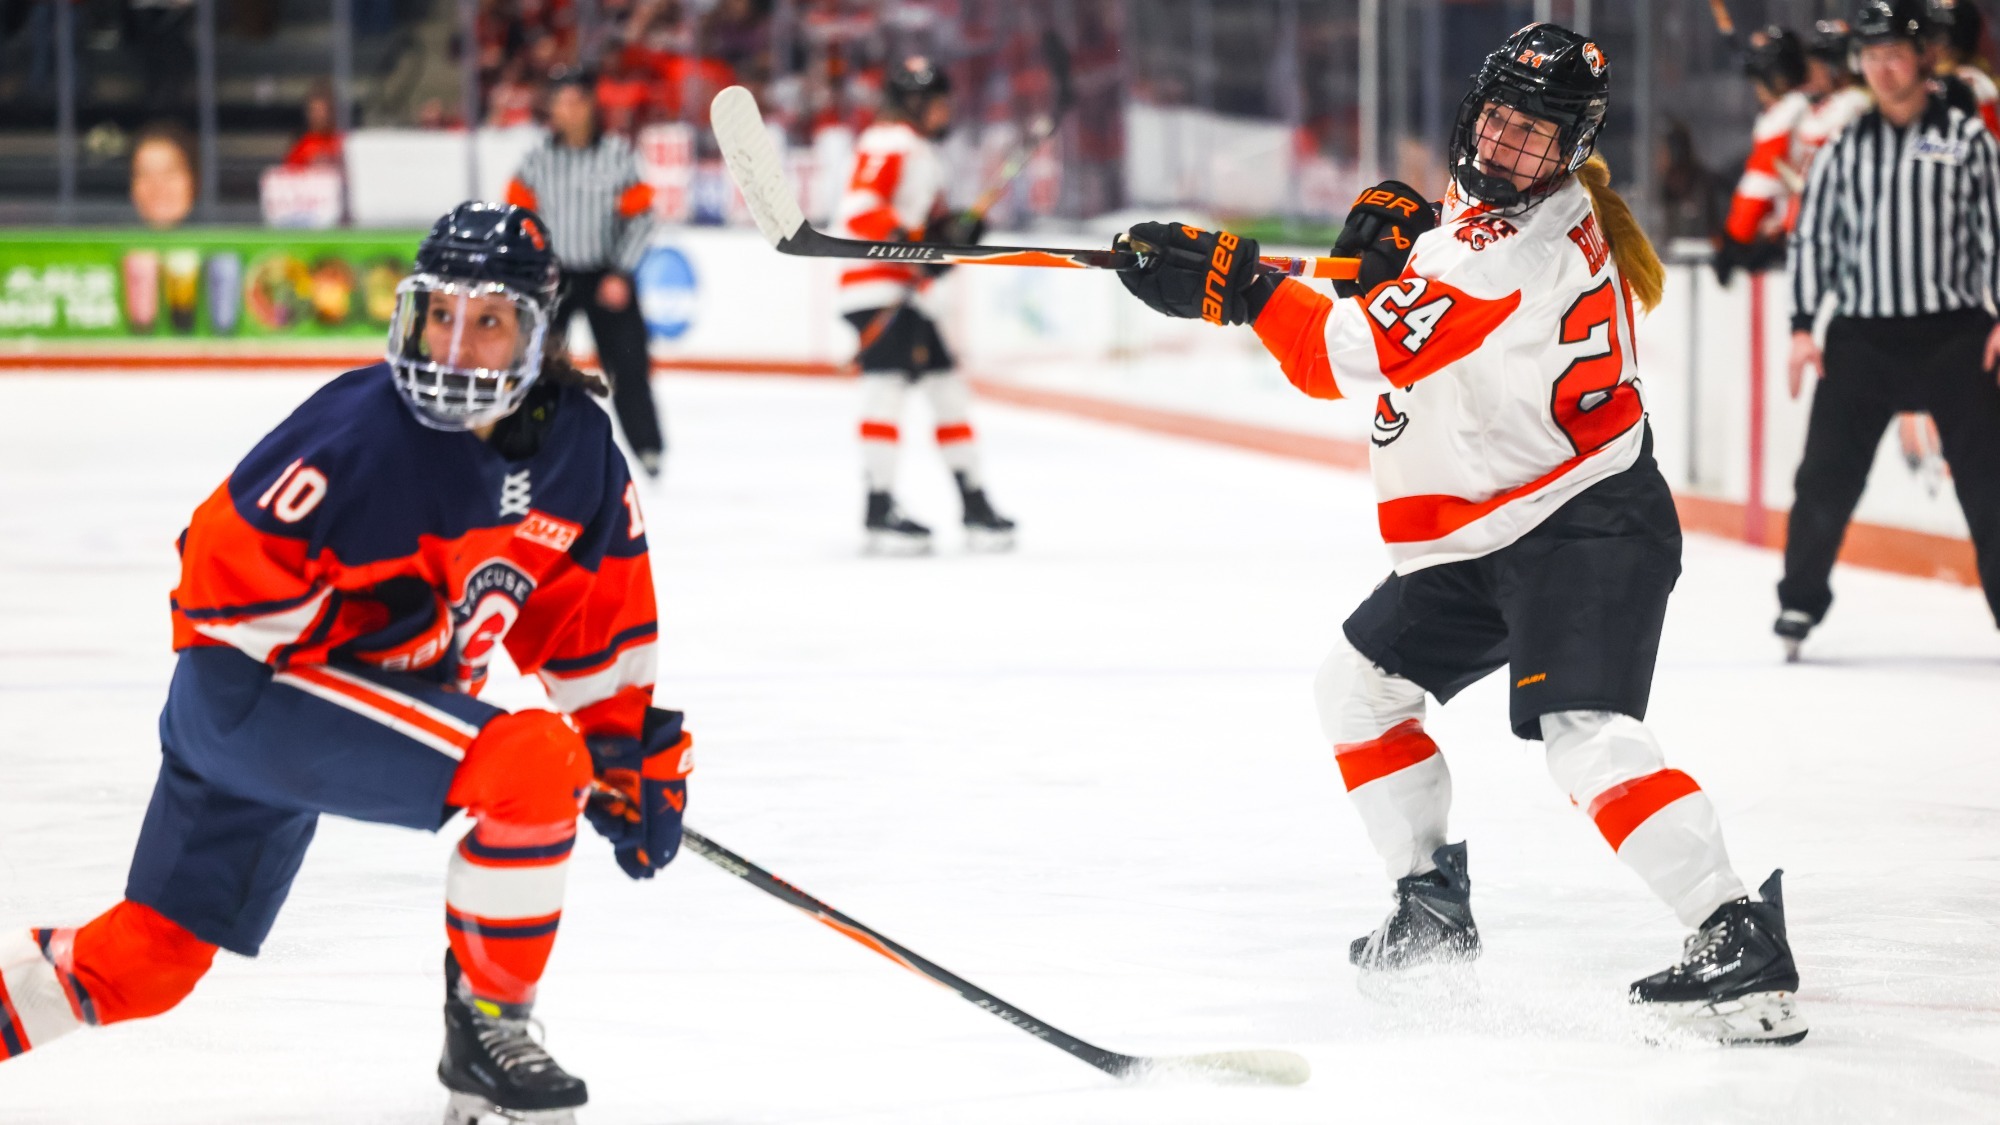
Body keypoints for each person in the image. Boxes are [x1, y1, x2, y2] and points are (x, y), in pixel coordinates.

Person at [1110, 23, 1805, 1045]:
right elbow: (1424, 266)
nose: (1508, 146)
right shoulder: (1489, 220)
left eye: (1536, 135)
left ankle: (1735, 934)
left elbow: (1339, 356)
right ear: (1471, 113)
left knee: (1582, 740)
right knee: (1356, 689)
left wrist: (1237, 286)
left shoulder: (1509, 252)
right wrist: (1385, 242)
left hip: (1582, 525)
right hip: (1490, 531)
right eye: (1499, 121)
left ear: (1570, 149)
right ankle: (1428, 907)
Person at [0, 202, 691, 1125]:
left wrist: (622, 750)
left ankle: (476, 1065)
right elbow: (213, 574)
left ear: (537, 331)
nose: (454, 344)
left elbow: (593, 617)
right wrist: (356, 631)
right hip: (248, 694)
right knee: (530, 767)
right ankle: (489, 1028)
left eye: (487, 321)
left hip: (321, 717)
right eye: (439, 313)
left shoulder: (577, 454)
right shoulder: (359, 430)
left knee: (147, 964)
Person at [1782, 0, 2000, 657]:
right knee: (1824, 478)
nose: (1880, 67)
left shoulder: (1966, 139)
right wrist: (1801, 324)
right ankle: (1799, 602)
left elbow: (1996, 231)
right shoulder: (1845, 146)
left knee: (1991, 484)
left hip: (1956, 336)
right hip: (1862, 339)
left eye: (1893, 54)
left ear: (1924, 56)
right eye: (1870, 55)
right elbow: (1815, 239)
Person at [831, 56, 1015, 554]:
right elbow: (861, 210)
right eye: (938, 102)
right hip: (876, 287)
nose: (946, 111)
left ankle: (973, 503)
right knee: (886, 388)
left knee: (948, 392)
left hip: (908, 294)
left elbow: (926, 229)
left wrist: (950, 234)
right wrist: (920, 241)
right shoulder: (889, 140)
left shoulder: (919, 151)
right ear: (916, 103)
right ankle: (878, 507)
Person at [507, 72, 669, 478]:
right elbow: (518, 216)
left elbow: (643, 216)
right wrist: (528, 270)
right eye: (562, 102)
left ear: (591, 107)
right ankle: (530, 443)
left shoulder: (616, 155)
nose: (570, 110)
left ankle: (648, 447)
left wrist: (621, 270)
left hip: (606, 274)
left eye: (577, 102)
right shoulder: (537, 159)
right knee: (535, 363)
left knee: (629, 364)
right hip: (551, 277)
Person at [1715, 26, 1813, 282]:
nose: (1758, 90)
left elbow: (1759, 186)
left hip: (1803, 240)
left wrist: (1735, 240)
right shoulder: (1804, 107)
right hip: (1802, 234)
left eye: (1760, 82)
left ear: (1778, 77)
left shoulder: (1789, 112)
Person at [130, 120, 197, 229]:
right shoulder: (106, 238)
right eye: (144, 174)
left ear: (195, 180)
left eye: (170, 173)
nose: (158, 186)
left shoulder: (223, 242)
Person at [283, 83, 344, 168]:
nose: (319, 116)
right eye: (315, 111)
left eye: (323, 111)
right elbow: (288, 174)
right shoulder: (301, 146)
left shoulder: (342, 142)